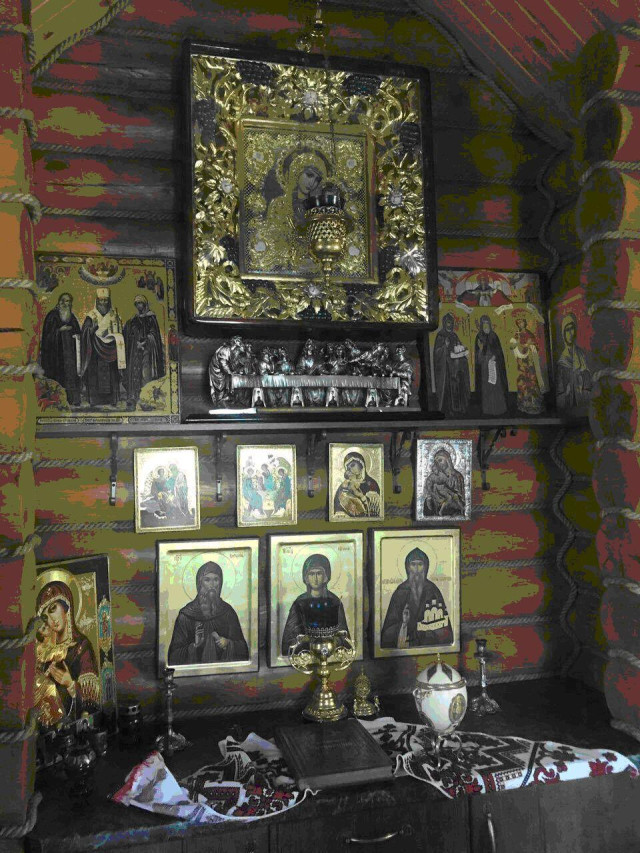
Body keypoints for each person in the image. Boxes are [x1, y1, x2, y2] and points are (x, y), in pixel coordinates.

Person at [34, 581, 100, 727]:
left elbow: (92, 701)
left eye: (53, 609)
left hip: (74, 724)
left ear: (66, 605)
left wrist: (70, 684)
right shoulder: (46, 650)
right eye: (45, 616)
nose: (51, 620)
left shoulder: (82, 647)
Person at [168, 562, 248, 665]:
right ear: (199, 583)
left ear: (220, 583)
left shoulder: (228, 612)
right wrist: (194, 646)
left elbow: (243, 649)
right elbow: (174, 656)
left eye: (216, 579)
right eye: (207, 580)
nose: (212, 584)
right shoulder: (186, 615)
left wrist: (228, 643)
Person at [380, 548, 453, 649]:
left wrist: (430, 628)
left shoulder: (432, 590)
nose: (417, 569)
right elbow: (387, 632)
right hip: (406, 645)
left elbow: (445, 628)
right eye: (413, 564)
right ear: (408, 567)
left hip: (428, 646)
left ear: (426, 567)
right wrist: (403, 624)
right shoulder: (400, 591)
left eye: (420, 564)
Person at [280, 554, 349, 656]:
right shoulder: (299, 603)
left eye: (319, 573)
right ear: (306, 578)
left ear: (326, 576)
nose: (315, 578)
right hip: (305, 655)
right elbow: (289, 639)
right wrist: (307, 642)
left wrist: (332, 642)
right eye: (311, 574)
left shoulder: (335, 602)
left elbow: (344, 636)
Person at [79, 287, 126, 407]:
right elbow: (85, 332)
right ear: (97, 301)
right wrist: (93, 329)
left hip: (111, 350)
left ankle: (112, 400)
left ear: (109, 301)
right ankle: (95, 400)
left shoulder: (114, 315)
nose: (103, 302)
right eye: (101, 300)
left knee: (112, 375)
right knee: (94, 375)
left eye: (105, 300)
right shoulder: (91, 316)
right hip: (95, 351)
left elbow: (121, 331)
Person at [123, 294, 165, 411]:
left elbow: (154, 334)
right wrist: (134, 339)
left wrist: (145, 341)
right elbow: (129, 332)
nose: (139, 306)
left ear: (145, 304)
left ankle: (146, 399)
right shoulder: (134, 319)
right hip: (135, 351)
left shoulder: (151, 317)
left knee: (146, 374)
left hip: (147, 351)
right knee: (134, 374)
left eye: (140, 303)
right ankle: (134, 398)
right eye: (137, 304)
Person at [40, 292, 82, 406]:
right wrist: (59, 331)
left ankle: (72, 400)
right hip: (56, 356)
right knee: (57, 377)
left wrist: (76, 335)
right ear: (59, 302)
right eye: (63, 300)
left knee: (70, 376)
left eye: (67, 301)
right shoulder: (52, 316)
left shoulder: (72, 317)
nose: (65, 303)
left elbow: (78, 332)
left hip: (69, 356)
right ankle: (57, 401)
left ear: (70, 303)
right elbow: (47, 336)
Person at [432, 312, 471, 417]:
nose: (450, 325)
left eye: (451, 322)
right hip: (447, 369)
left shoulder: (454, 335)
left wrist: (463, 350)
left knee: (458, 387)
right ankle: (449, 410)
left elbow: (459, 346)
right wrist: (444, 346)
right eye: (448, 322)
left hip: (457, 368)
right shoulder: (440, 335)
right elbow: (437, 352)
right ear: (444, 323)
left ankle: (460, 408)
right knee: (450, 389)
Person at [556, 312, 592, 412]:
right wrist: (567, 392)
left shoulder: (581, 355)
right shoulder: (562, 362)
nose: (570, 333)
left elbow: (588, 383)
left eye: (572, 328)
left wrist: (584, 390)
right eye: (567, 330)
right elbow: (559, 395)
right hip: (568, 409)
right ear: (563, 333)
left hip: (582, 405)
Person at [509, 316, 545, 414]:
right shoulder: (517, 334)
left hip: (530, 361)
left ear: (525, 323)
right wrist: (517, 344)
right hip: (521, 362)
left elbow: (535, 346)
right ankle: (524, 403)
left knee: (532, 381)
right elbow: (512, 346)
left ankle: (534, 403)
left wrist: (529, 345)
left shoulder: (530, 334)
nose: (520, 324)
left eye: (522, 322)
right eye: (519, 323)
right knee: (523, 381)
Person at [474, 315, 509, 416]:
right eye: (483, 324)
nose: (486, 326)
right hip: (484, 367)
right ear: (481, 325)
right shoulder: (479, 336)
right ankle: (488, 409)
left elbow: (499, 351)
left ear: (489, 324)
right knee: (487, 388)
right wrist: (481, 349)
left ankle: (499, 408)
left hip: (494, 365)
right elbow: (478, 357)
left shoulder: (494, 336)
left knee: (495, 386)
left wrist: (495, 356)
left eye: (487, 323)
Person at [333, 450, 381, 518]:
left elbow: (377, 506)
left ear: (361, 464)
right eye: (348, 467)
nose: (350, 469)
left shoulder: (372, 483)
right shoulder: (345, 485)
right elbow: (337, 504)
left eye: (353, 465)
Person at [423, 447, 466, 517]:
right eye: (436, 462)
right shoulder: (434, 476)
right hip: (437, 501)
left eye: (440, 460)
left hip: (452, 505)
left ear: (447, 460)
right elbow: (429, 489)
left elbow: (460, 495)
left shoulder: (457, 476)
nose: (438, 463)